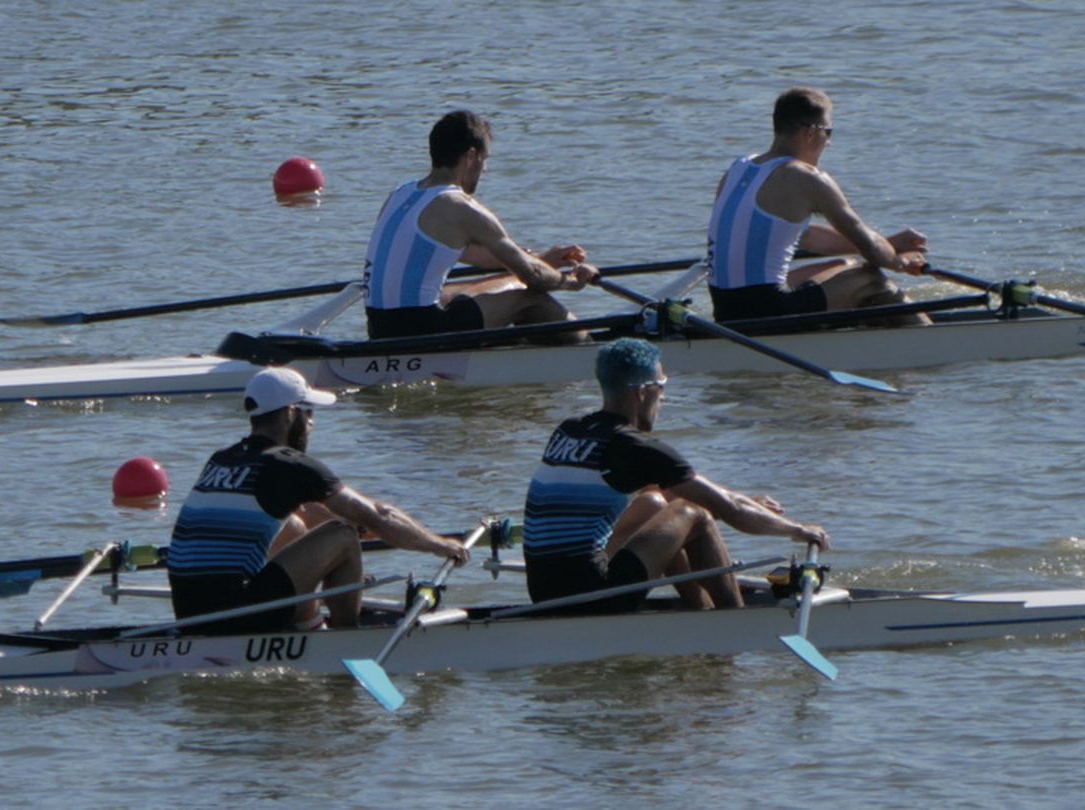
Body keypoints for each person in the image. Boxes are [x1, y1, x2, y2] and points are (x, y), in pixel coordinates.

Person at [521, 337, 829, 613]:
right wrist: (799, 530)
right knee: (691, 514)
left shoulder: (569, 430)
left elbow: (669, 494)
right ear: (642, 393)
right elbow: (730, 509)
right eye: (662, 386)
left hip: (544, 593)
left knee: (655, 504)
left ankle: (700, 611)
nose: (664, 398)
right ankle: (735, 621)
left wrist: (746, 501)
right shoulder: (634, 445)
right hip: (591, 596)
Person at [166, 367, 469, 632]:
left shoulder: (222, 460)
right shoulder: (289, 465)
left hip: (188, 615)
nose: (312, 423)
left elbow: (310, 510)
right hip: (237, 618)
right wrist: (440, 544)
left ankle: (308, 624)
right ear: (289, 414)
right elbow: (380, 514)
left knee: (297, 523)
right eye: (308, 412)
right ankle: (344, 639)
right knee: (342, 536)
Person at [363, 109, 599, 342]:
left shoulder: (399, 195)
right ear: (471, 156)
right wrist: (572, 282)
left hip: (379, 327)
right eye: (484, 160)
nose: (484, 169)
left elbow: (485, 258)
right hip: (424, 333)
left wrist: (541, 259)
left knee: (488, 284)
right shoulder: (459, 206)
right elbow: (534, 277)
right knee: (530, 298)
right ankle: (588, 350)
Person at [706, 86, 930, 325]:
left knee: (844, 264)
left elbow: (809, 237)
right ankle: (930, 341)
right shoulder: (806, 178)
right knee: (871, 278)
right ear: (811, 133)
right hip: (767, 314)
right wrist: (901, 261)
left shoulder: (740, 168)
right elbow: (872, 249)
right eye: (829, 132)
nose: (829, 143)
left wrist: (891, 243)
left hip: (725, 309)